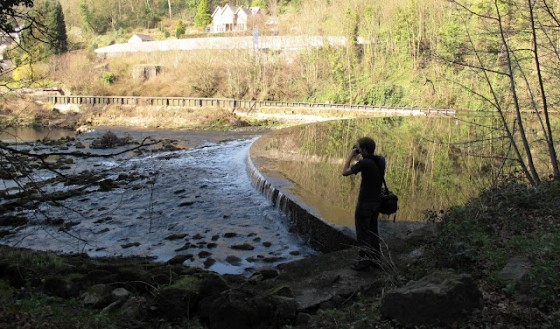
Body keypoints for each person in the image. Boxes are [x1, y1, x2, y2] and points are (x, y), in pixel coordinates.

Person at [341, 136, 386, 271]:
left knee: (362, 233)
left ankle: (364, 262)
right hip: (376, 202)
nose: (358, 150)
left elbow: (344, 172)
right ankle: (376, 260)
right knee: (373, 232)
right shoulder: (380, 160)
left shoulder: (364, 163)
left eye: (359, 148)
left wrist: (350, 155)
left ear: (364, 149)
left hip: (365, 203)